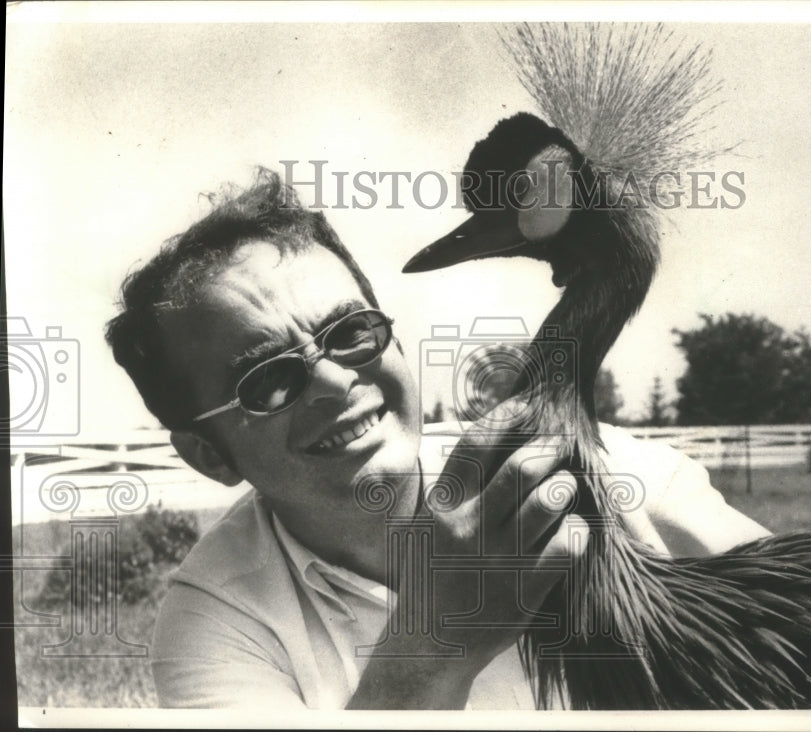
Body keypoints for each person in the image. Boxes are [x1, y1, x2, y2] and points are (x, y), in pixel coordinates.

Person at [105, 168, 770, 710]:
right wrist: (430, 648)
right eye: (268, 380)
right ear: (209, 454)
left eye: (350, 332)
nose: (336, 382)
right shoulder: (214, 623)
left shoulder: (614, 473)